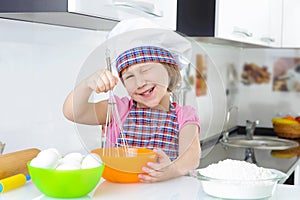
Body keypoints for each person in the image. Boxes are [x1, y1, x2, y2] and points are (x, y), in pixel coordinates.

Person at [63, 45, 201, 183]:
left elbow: (191, 155)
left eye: (146, 70)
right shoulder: (118, 108)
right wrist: (87, 84)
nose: (140, 83)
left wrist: (173, 169)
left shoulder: (184, 115)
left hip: (165, 192)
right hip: (118, 191)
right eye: (129, 76)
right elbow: (72, 112)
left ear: (170, 72)